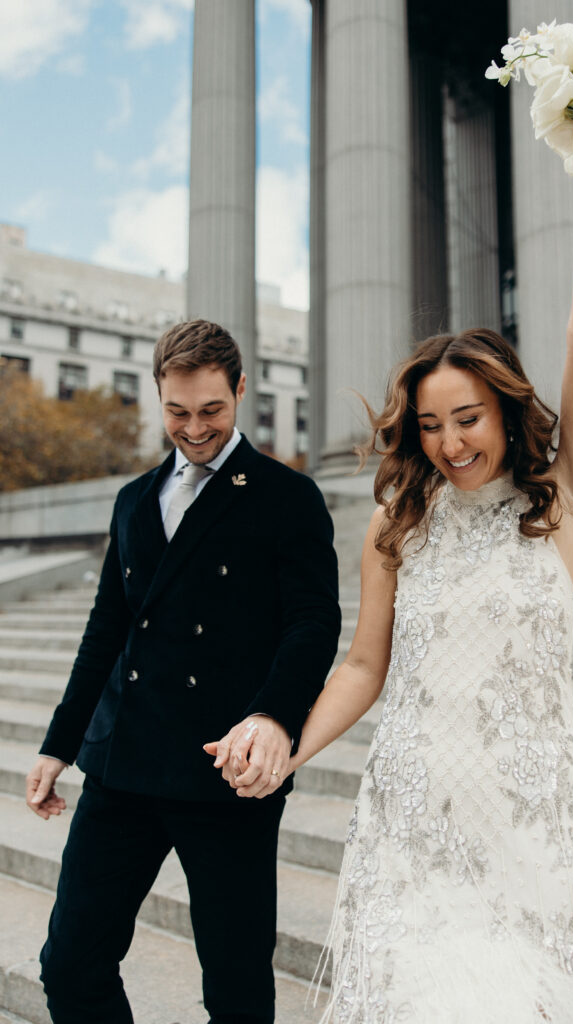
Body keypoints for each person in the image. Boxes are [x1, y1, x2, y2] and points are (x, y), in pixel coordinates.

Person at [231, 114, 573, 1021]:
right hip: (414, 834)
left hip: (539, 833)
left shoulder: (567, 507)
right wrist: (287, 746)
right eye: (429, 425)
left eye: (465, 417)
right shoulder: (398, 523)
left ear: (502, 410)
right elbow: (363, 666)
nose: (449, 442)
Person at [25, 319, 341, 1024]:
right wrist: (60, 743)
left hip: (225, 770)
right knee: (70, 965)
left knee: (236, 991)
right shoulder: (134, 499)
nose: (193, 429)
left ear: (239, 391)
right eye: (176, 411)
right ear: (158, 396)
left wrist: (273, 717)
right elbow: (106, 629)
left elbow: (313, 624)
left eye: (210, 410)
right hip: (121, 765)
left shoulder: (285, 496)